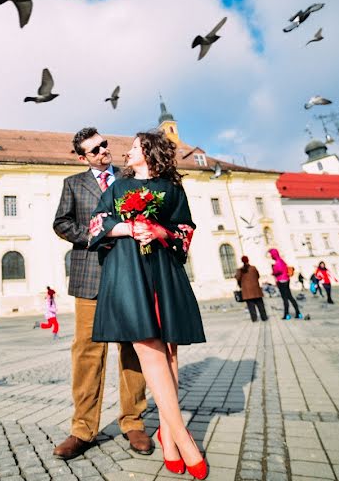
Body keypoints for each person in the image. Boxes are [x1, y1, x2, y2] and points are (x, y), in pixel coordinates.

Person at [88, 130, 208, 479]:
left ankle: (167, 436)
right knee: (148, 347)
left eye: (135, 147)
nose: (128, 152)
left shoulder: (172, 190)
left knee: (169, 351)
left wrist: (159, 232)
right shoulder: (118, 188)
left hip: (162, 270)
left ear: (150, 152)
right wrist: (128, 228)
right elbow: (97, 222)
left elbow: (184, 228)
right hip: (128, 270)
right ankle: (184, 437)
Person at [52, 127, 151, 460]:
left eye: (104, 145)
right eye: (94, 150)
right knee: (87, 354)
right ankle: (82, 429)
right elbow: (61, 224)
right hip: (89, 276)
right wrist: (95, 235)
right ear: (83, 158)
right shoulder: (73, 184)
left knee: (132, 348)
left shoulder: (128, 178)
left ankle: (133, 421)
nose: (103, 151)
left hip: (129, 274)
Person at [269, 249, 302, 320]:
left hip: (282, 281)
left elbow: (279, 270)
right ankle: (298, 313)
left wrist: (274, 272)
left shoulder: (278, 262)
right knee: (290, 297)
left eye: (271, 255)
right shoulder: (281, 261)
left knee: (285, 299)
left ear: (274, 254)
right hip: (286, 280)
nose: (271, 256)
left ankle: (287, 315)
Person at [236, 256, 267, 322]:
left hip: (247, 291)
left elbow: (237, 278)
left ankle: (254, 318)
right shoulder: (253, 268)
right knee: (260, 305)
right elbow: (258, 276)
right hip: (256, 290)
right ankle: (264, 317)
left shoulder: (240, 270)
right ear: (248, 260)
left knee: (251, 306)